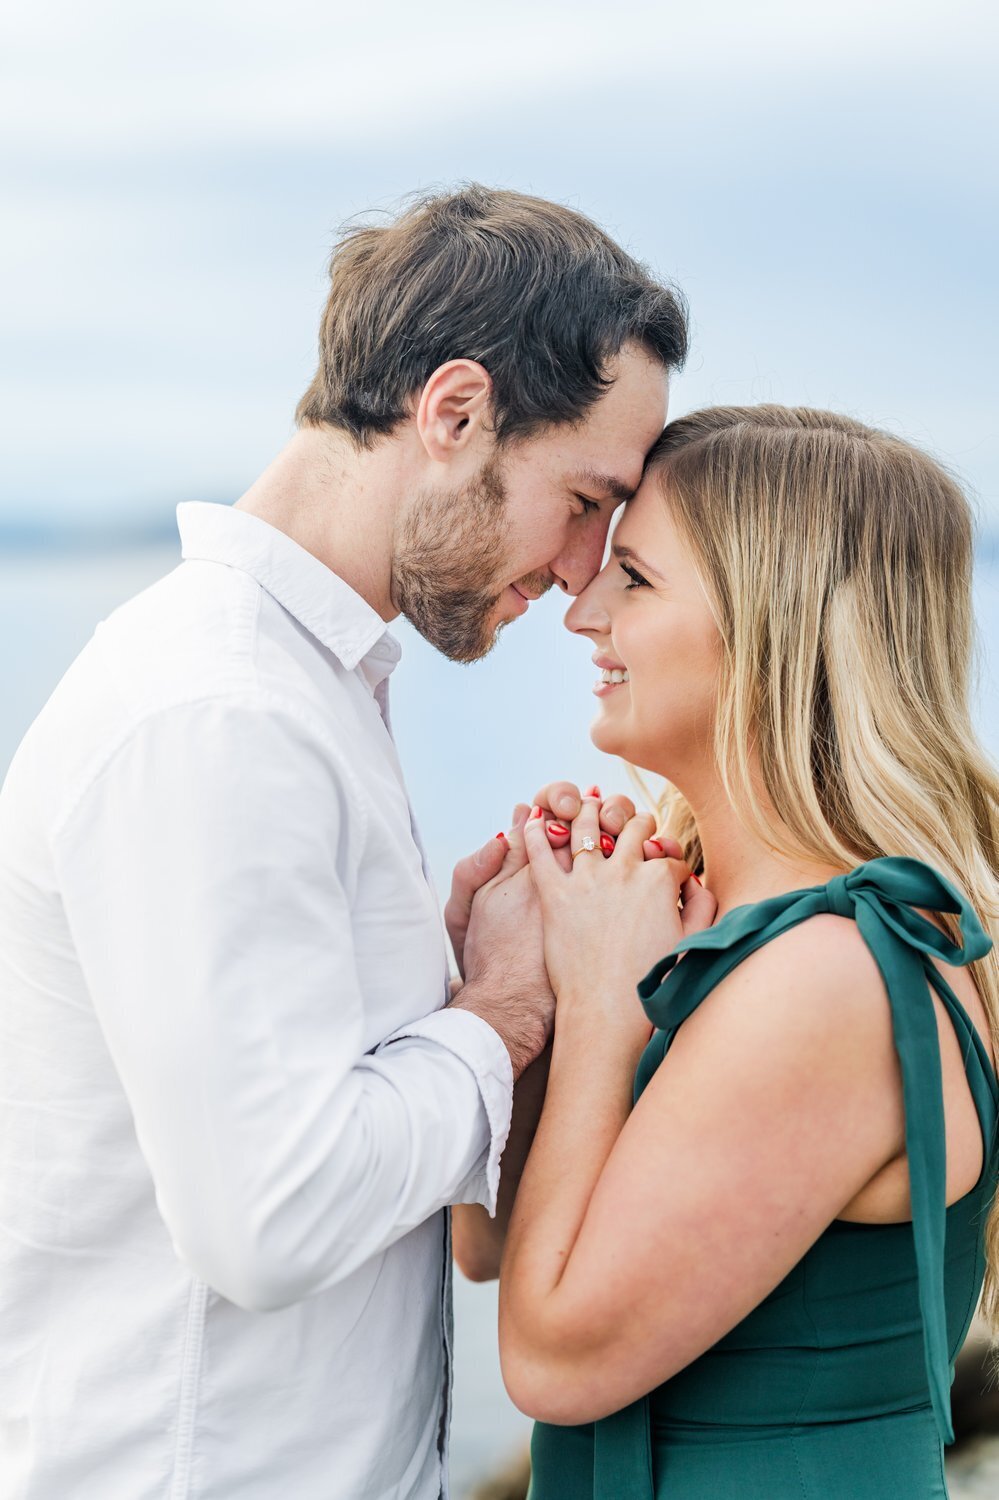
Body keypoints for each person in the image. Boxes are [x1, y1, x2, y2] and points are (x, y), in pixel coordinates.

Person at [0, 185, 687, 1499]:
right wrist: (501, 1014)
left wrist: (432, 985)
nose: (581, 571)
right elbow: (270, 1216)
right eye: (584, 498)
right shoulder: (219, 713)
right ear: (452, 413)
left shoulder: (297, 689)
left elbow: (277, 1100)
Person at [455, 405, 999, 1497]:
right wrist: (518, 985)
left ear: (776, 626)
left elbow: (555, 1357)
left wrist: (609, 1002)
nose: (584, 612)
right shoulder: (738, 933)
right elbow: (492, 1243)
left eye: (637, 581)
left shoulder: (835, 976)